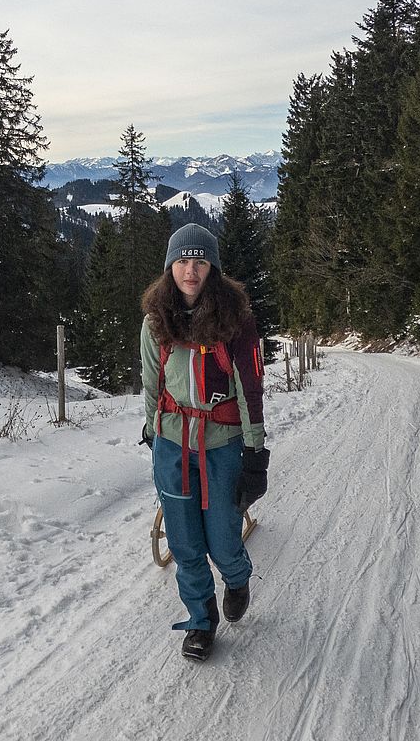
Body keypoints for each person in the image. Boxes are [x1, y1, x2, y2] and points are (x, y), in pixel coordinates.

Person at [140, 222, 269, 661]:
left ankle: (236, 577)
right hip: (172, 444)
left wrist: (256, 454)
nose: (190, 270)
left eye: (199, 261)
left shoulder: (236, 322)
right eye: (182, 261)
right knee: (185, 543)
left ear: (212, 268)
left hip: (222, 444)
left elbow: (250, 391)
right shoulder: (155, 322)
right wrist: (151, 432)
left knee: (221, 539)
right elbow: (150, 384)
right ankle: (201, 620)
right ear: (169, 267)